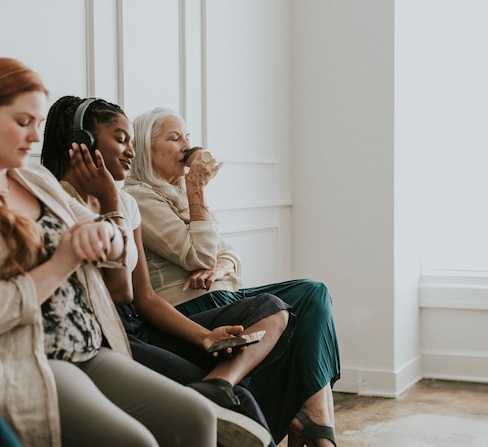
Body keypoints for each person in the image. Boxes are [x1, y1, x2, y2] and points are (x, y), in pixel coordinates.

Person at [0, 57, 267, 447]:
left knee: (197, 415)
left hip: (91, 341)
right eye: (22, 123)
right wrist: (63, 262)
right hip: (33, 355)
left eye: (38, 125)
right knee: (134, 440)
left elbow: (120, 254)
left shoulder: (36, 181)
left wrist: (108, 233)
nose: (34, 137)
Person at [40, 95, 296, 447]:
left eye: (131, 141)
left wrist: (203, 337)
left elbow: (143, 297)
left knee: (272, 315)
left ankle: (230, 387)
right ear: (83, 143)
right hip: (106, 331)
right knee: (241, 402)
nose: (129, 151)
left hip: (138, 322)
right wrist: (110, 204)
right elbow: (120, 291)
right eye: (120, 139)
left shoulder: (126, 202)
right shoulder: (60, 203)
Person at [125, 107, 341, 446]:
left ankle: (315, 418)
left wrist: (221, 268)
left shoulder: (180, 195)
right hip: (190, 307)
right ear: (145, 150)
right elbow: (198, 253)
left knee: (313, 293)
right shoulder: (139, 197)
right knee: (288, 307)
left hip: (222, 295)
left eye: (188, 138)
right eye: (174, 137)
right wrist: (197, 192)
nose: (186, 146)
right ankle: (315, 427)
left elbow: (227, 253)